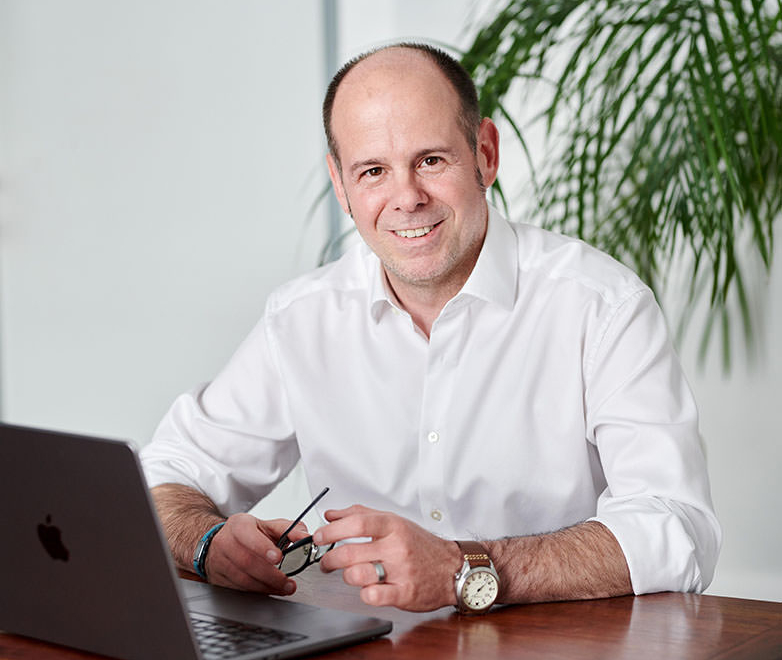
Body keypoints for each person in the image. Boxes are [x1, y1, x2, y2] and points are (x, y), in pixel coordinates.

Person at [141, 42, 721, 614]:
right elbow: (165, 475)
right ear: (341, 184)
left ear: (485, 154)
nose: (407, 198)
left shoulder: (603, 306)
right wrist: (205, 542)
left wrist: (464, 568)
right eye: (373, 171)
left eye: (431, 161)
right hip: (365, 645)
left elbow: (677, 527)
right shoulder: (301, 319)